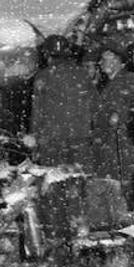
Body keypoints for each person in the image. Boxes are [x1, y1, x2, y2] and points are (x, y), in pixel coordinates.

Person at [90, 44, 134, 200]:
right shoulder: (106, 84)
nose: (105, 63)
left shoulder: (129, 80)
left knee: (121, 182)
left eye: (110, 59)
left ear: (122, 63)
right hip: (109, 142)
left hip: (121, 141)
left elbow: (124, 111)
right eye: (103, 59)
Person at [28, 35, 96, 169]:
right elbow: (94, 103)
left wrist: (34, 134)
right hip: (80, 135)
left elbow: (38, 109)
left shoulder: (44, 76)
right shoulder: (82, 74)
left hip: (52, 137)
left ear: (47, 54)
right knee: (79, 176)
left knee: (54, 177)